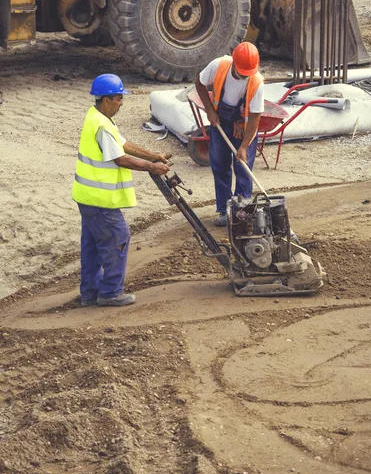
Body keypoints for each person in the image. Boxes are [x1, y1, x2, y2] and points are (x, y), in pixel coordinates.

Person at [72, 73, 170, 307]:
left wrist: (153, 155)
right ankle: (110, 293)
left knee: (92, 245)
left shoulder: (97, 117)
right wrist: (152, 167)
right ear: (105, 100)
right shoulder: (102, 125)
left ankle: (89, 293)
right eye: (118, 98)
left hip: (87, 197)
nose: (122, 102)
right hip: (101, 200)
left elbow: (123, 143)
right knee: (118, 238)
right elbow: (120, 158)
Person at [194, 42, 264, 227]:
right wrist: (209, 110)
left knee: (242, 168)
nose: (245, 76)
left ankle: (241, 213)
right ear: (234, 63)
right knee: (219, 164)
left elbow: (255, 118)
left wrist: (243, 147)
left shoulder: (256, 81)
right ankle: (225, 210)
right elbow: (199, 83)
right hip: (220, 122)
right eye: (243, 72)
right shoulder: (219, 66)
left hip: (244, 127)